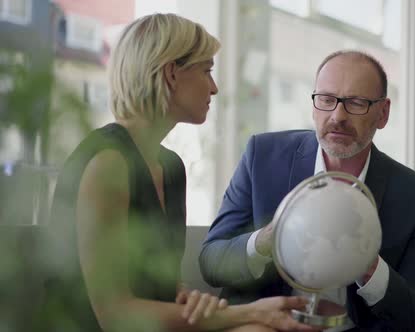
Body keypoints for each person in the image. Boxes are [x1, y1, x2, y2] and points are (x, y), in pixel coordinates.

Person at [41, 13, 316, 332]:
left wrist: (187, 298)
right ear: (172, 73)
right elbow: (115, 316)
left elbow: (163, 287)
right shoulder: (107, 163)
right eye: (206, 71)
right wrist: (248, 313)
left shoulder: (171, 168)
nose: (213, 88)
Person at [199, 50, 415, 331]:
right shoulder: (262, 156)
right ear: (314, 105)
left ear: (383, 113)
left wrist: (368, 267)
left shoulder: (414, 195)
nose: (338, 116)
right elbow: (211, 262)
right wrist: (266, 241)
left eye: (356, 103)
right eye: (326, 100)